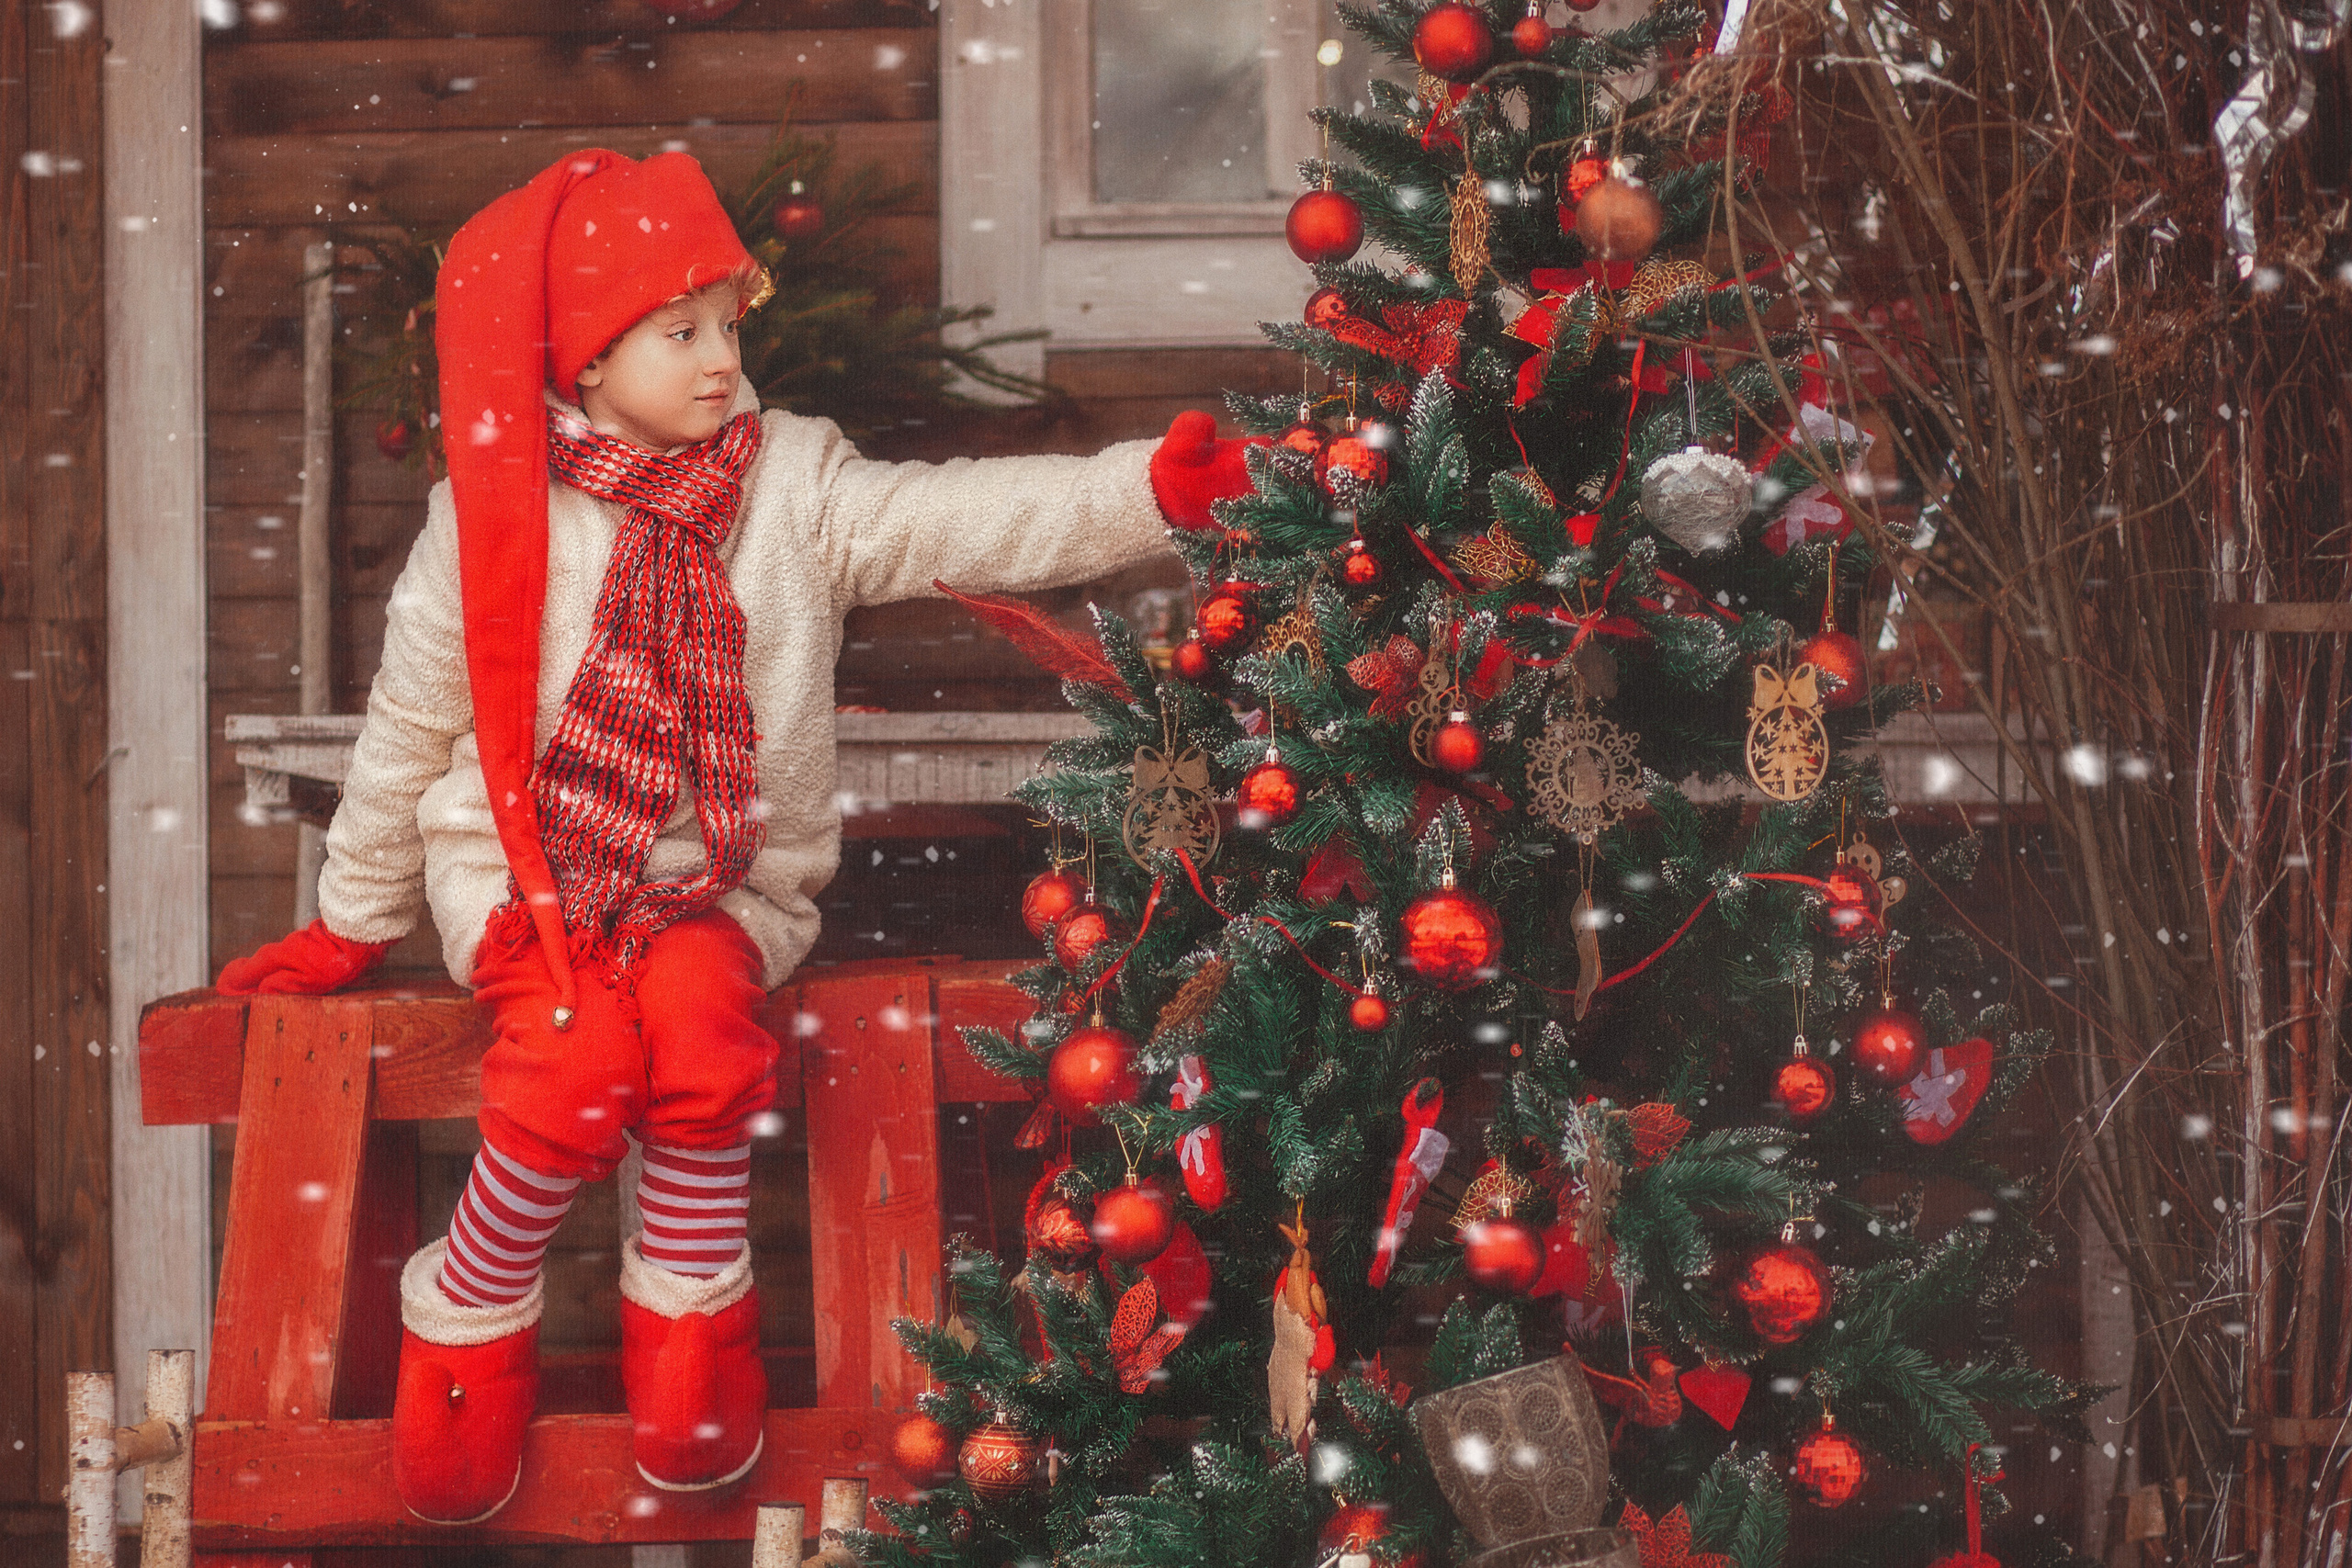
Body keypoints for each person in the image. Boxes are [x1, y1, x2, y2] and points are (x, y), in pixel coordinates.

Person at [211, 149, 1254, 1524]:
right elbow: (405, 737)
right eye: (679, 330)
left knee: (706, 1035)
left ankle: (690, 1322)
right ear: (585, 363)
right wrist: (352, 922)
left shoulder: (792, 488)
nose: (721, 360)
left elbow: (965, 513)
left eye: (730, 323)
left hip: (717, 892)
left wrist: (1143, 496)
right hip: (536, 885)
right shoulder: (492, 520)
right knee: (575, 1065)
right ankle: (470, 1301)